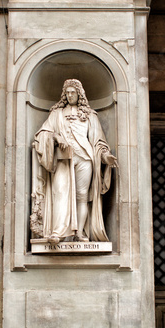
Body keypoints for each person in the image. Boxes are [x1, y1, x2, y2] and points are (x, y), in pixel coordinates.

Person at [31, 79, 117, 244]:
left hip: (85, 158)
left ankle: (80, 234)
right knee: (60, 193)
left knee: (82, 196)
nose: (70, 95)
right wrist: (56, 136)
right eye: (67, 93)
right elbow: (42, 133)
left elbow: (98, 141)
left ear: (79, 94)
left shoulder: (90, 115)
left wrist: (105, 157)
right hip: (63, 160)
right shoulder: (56, 114)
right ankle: (57, 232)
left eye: (73, 92)